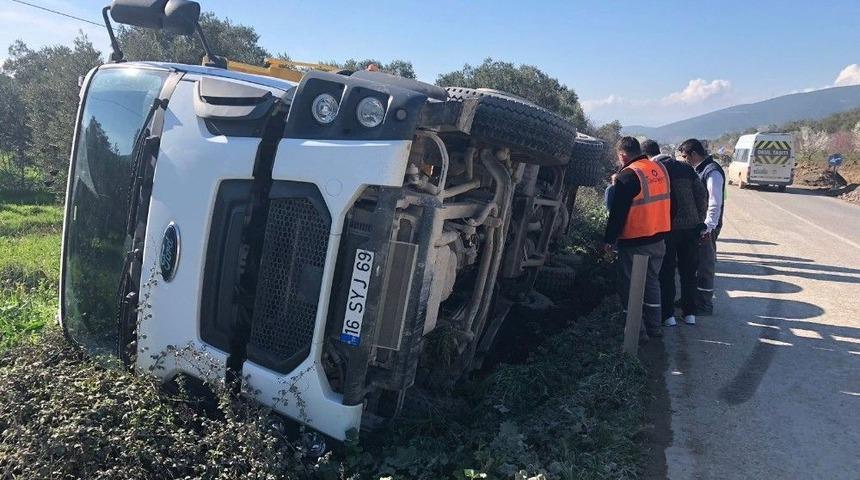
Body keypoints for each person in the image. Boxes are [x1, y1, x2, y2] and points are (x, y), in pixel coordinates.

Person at [604, 137, 672, 340]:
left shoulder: (627, 175)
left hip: (635, 240)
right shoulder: (659, 169)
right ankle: (654, 327)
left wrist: (609, 241)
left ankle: (636, 332)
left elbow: (617, 214)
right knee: (651, 283)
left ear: (623, 155)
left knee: (629, 286)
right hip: (659, 238)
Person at [641, 140, 707, 327]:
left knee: (666, 272)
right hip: (691, 229)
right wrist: (698, 219)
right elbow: (702, 195)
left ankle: (668, 316)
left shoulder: (653, 172)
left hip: (667, 229)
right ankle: (690, 314)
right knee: (689, 272)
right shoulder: (686, 168)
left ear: (647, 156)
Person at [677, 138, 725, 316]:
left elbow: (714, 202)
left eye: (685, 156)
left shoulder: (712, 172)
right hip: (699, 226)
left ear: (694, 154)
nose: (684, 160)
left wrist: (708, 227)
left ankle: (704, 304)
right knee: (694, 263)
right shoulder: (700, 170)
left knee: (705, 264)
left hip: (706, 227)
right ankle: (691, 299)